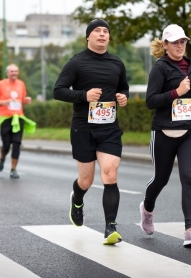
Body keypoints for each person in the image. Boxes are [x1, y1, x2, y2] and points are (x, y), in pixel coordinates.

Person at [53, 19, 129, 245]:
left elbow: (122, 86)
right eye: (97, 31)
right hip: (83, 129)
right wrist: (83, 96)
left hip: (109, 128)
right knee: (86, 180)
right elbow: (58, 91)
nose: (103, 34)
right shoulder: (76, 62)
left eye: (106, 31)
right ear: (88, 36)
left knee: (110, 173)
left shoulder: (117, 63)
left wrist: (122, 96)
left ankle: (110, 228)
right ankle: (77, 199)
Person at [139, 24, 191, 247]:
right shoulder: (159, 69)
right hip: (164, 131)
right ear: (165, 45)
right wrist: (175, 92)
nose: (180, 46)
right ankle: (147, 208)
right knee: (161, 178)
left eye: (183, 42)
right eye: (175, 42)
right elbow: (151, 101)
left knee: (189, 177)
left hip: (190, 130)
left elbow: (188, 96)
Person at [0, 64, 36, 179]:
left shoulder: (21, 84)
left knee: (16, 144)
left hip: (18, 117)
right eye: (12, 71)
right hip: (5, 118)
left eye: (16, 71)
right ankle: (2, 159)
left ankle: (13, 169)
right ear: (7, 73)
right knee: (6, 146)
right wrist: (3, 102)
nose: (14, 73)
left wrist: (26, 100)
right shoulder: (1, 84)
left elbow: (21, 100)